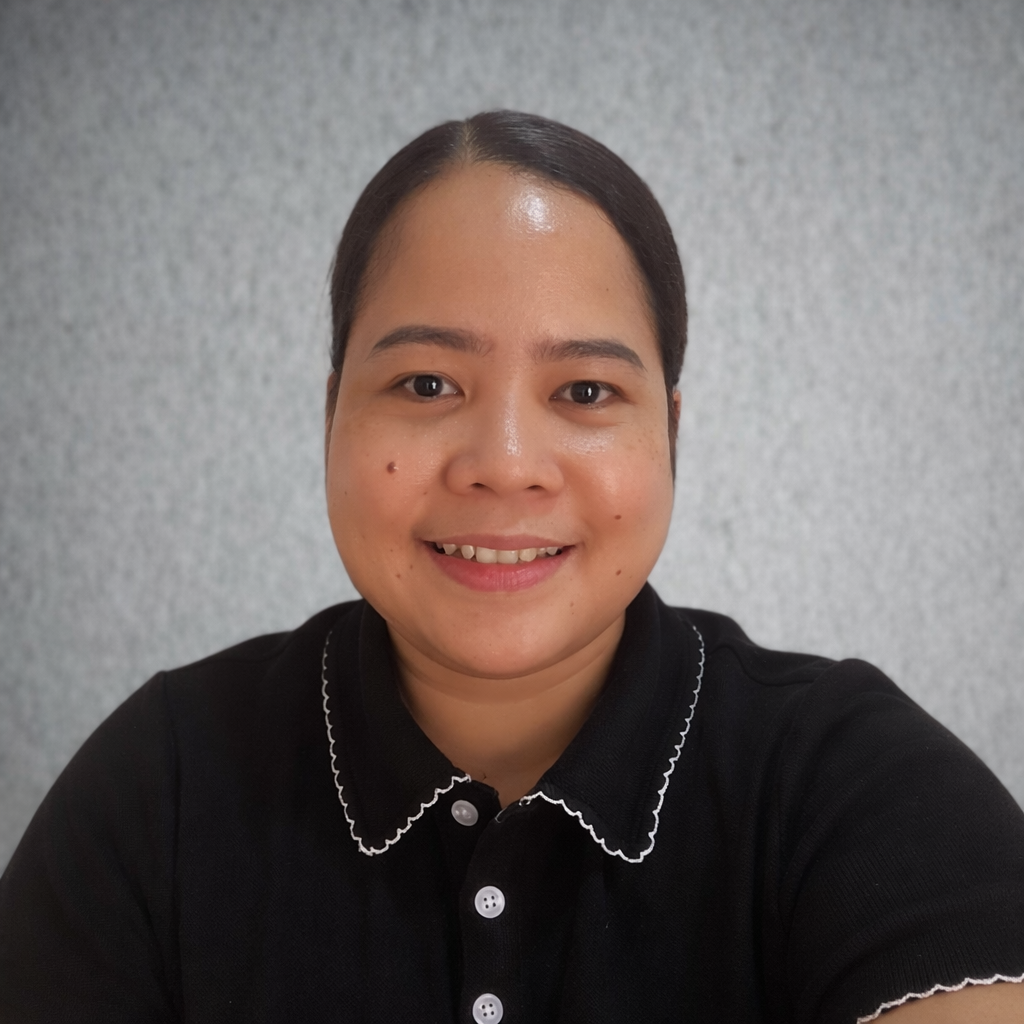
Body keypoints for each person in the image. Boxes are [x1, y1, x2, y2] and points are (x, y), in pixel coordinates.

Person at [0, 111, 1021, 1024]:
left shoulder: (846, 776)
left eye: (584, 392)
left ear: (670, 432)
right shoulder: (165, 782)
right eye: (427, 382)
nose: (505, 464)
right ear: (330, 414)